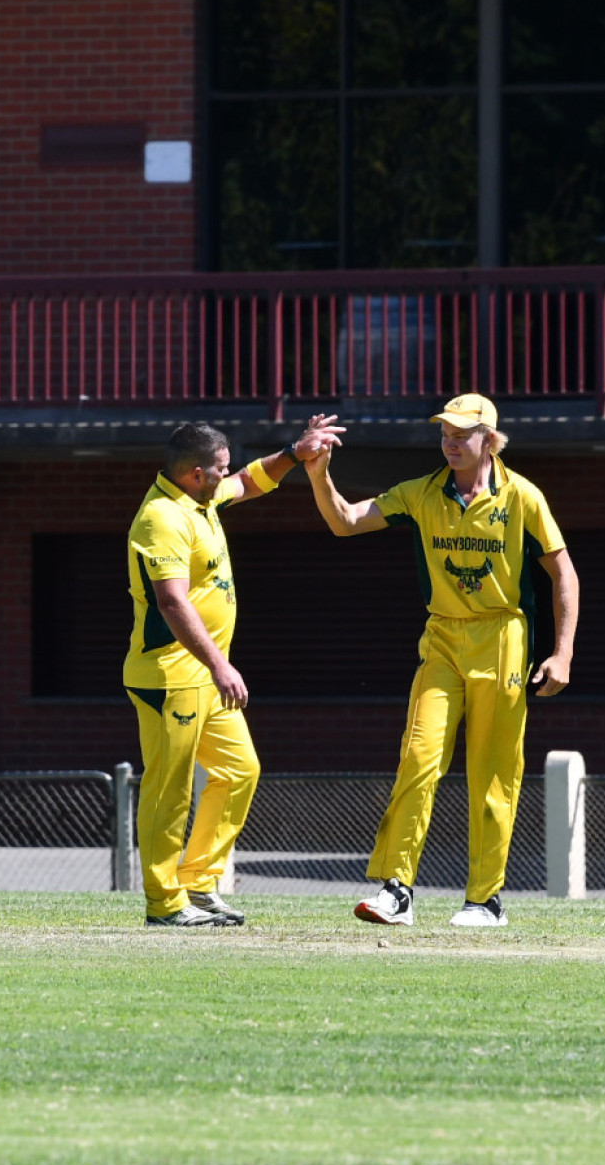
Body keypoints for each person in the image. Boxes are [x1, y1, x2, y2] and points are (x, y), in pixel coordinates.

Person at [304, 394, 577, 928]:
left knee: (494, 773)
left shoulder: (522, 496)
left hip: (504, 635)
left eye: (462, 433)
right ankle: (396, 890)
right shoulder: (421, 493)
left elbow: (563, 573)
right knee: (419, 756)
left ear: (489, 440)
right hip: (443, 638)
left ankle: (485, 901)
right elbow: (346, 521)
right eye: (445, 432)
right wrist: (319, 473)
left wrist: (562, 653)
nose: (450, 441)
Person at [126, 416, 343, 927]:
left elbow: (249, 480)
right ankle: (164, 903)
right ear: (195, 473)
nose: (230, 476)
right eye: (220, 470)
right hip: (169, 677)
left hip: (203, 677)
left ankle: (198, 883)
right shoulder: (161, 517)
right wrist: (220, 664)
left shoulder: (203, 498)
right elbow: (171, 603)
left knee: (239, 770)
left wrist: (296, 451)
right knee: (169, 790)